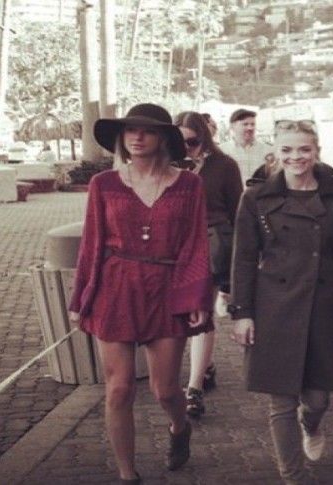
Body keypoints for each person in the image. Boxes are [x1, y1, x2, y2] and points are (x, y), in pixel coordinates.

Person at [68, 103, 213, 484]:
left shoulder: (189, 185)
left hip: (168, 289)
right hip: (115, 290)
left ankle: (179, 427)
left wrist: (196, 296)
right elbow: (91, 244)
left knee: (165, 390)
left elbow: (195, 244)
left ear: (164, 138)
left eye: (147, 130)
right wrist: (81, 297)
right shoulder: (104, 184)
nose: (137, 136)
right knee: (118, 389)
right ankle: (127, 474)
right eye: (130, 130)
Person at [229, 120, 333, 485]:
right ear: (276, 151)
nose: (296, 156)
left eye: (304, 149)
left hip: (322, 305)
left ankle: (311, 424)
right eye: (287, 149)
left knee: (317, 399)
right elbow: (243, 258)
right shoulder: (256, 198)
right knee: (281, 402)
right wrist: (242, 313)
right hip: (274, 306)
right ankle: (293, 476)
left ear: (316, 150)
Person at [174, 111, 243, 418]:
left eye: (193, 141)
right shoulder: (166, 165)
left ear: (205, 138)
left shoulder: (224, 165)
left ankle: (194, 389)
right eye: (180, 142)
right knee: (180, 313)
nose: (187, 148)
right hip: (176, 247)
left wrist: (237, 265)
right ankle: (206, 365)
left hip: (212, 243)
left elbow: (237, 211)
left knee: (201, 311)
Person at [219, 108, 273, 185]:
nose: (250, 128)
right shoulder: (222, 151)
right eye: (245, 124)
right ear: (232, 126)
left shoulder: (268, 150)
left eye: (252, 124)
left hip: (261, 192)